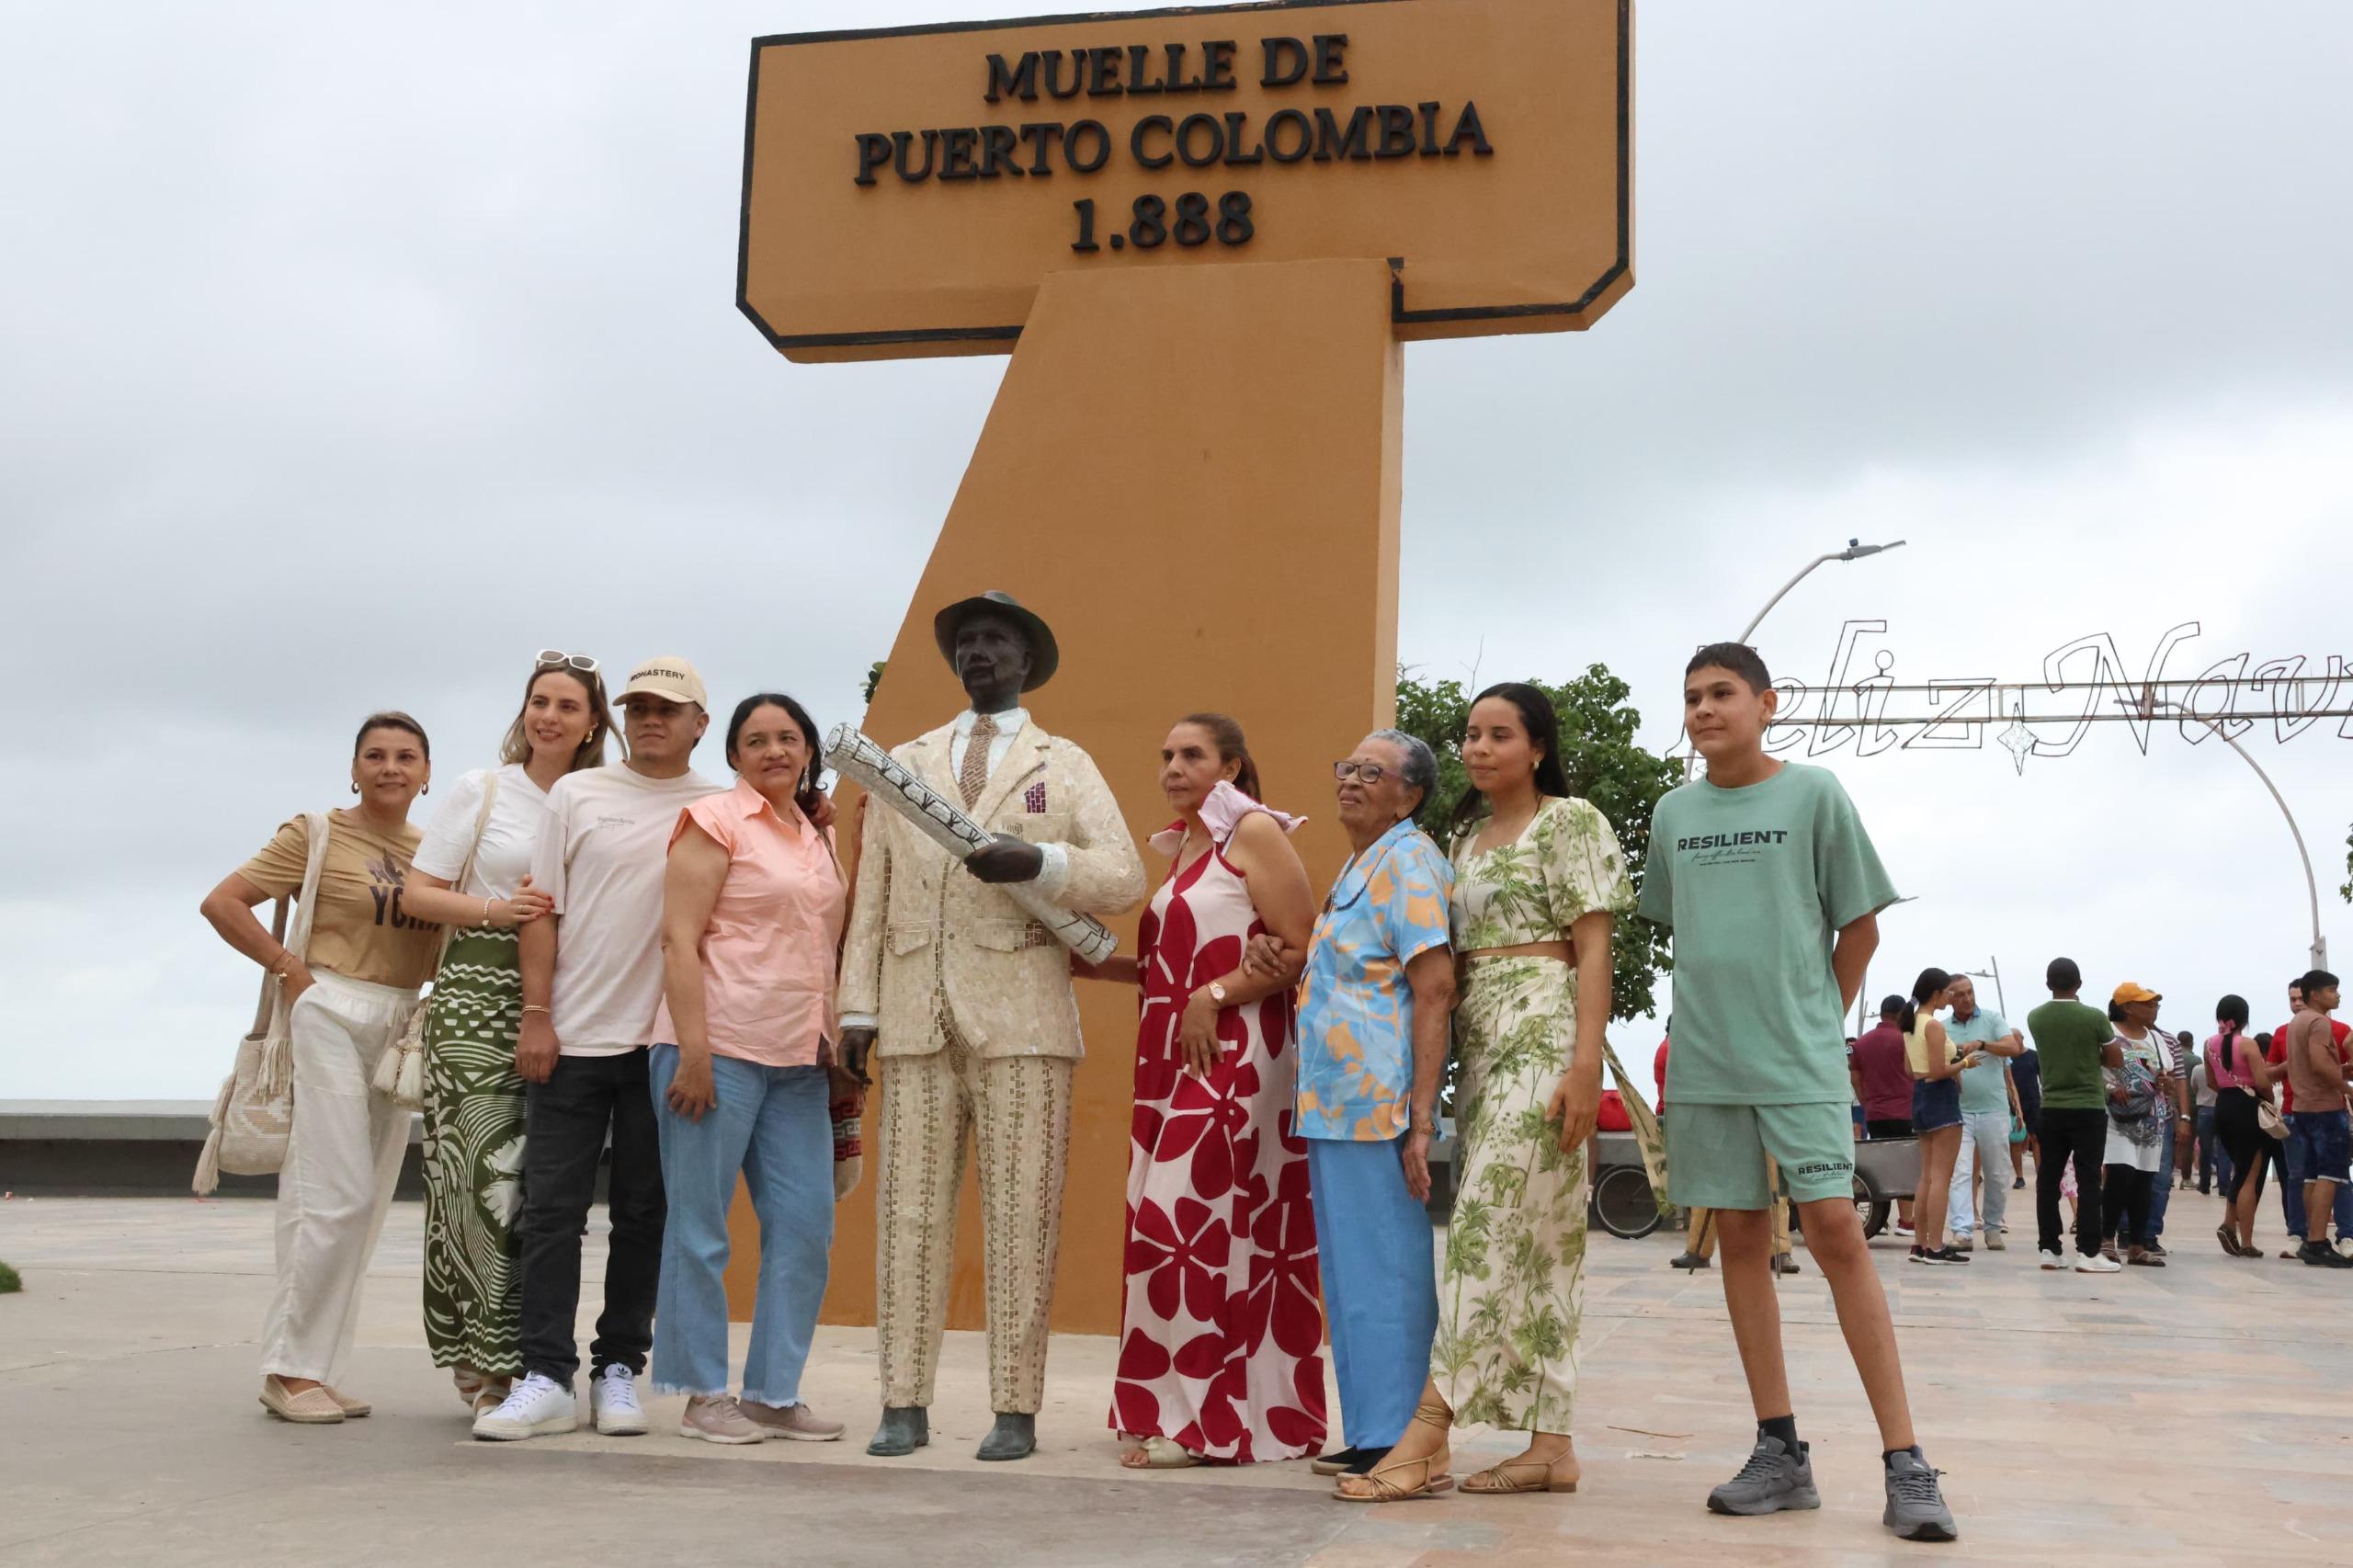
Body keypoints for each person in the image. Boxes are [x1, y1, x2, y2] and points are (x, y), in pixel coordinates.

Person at [1639, 643, 1953, 1543]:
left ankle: (1906, 1461)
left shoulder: (1813, 793)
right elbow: (1685, 927)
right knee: (1739, 1232)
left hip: (1799, 1054)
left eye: (1722, 693)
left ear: (1767, 703)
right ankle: (1780, 1450)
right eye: (1692, 696)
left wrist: (1821, 1009)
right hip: (1703, 1056)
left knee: (1834, 1229)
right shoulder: (1672, 811)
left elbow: (1858, 922)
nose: (1704, 709)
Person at [838, 592, 1147, 1464]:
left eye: (996, 641)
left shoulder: (1067, 762)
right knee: (908, 1218)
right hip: (913, 1009)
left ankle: (1016, 1407)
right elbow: (875, 892)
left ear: (1026, 658)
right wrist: (856, 1007)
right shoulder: (904, 761)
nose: (979, 653)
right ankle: (902, 1401)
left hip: (1025, 1016)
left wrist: (1042, 861)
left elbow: (1122, 876)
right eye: (967, 641)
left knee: (1021, 1217)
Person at [1336, 684, 1641, 1500]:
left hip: (1546, 1035)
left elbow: (1595, 950)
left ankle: (1429, 1432)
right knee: (1540, 1244)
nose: (1478, 748)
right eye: (1470, 735)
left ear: (1536, 747)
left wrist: (1584, 1068)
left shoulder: (1570, 821)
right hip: (1485, 1047)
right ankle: (1551, 1447)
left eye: (1499, 735)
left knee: (1481, 1228)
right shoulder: (1463, 839)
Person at [473, 657, 729, 1441]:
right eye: (639, 707)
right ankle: (545, 1375)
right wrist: (537, 1015)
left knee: (644, 1213)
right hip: (575, 1036)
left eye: (668, 708)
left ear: (699, 725)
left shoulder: (723, 806)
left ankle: (618, 1368)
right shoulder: (578, 795)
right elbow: (540, 912)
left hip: (662, 1045)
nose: (651, 719)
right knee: (550, 1213)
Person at [1075, 713, 1324, 1470]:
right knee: (1197, 1232)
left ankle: (1208, 1420)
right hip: (1176, 1056)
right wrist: (1093, 965)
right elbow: (1166, 973)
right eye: (1166, 756)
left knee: (1182, 1228)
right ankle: (1204, 1415)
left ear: (1234, 766)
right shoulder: (1188, 846)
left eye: (1192, 755)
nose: (1173, 767)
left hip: (1237, 1053)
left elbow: (1299, 943)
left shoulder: (1253, 830)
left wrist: (1211, 996)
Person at [199, 712, 441, 1423]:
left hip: (399, 1023)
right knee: (327, 1192)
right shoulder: (316, 832)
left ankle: (319, 1369)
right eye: (375, 755)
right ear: (354, 768)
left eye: (406, 757)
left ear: (427, 774)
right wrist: (287, 968)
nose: (390, 767)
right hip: (328, 1007)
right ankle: (287, 1370)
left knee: (364, 1203)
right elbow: (223, 902)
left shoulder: (433, 851)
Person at [399, 654, 609, 1416]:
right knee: (475, 1182)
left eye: (566, 705)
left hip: (569, 998)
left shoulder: (597, 797)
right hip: (475, 998)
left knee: (540, 1188)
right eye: (538, 702)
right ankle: (481, 1360)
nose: (549, 717)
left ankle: (525, 1360)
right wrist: (499, 913)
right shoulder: (481, 790)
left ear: (593, 723)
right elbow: (420, 893)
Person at [649, 692, 853, 1442]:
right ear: (734, 754)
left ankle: (772, 1391)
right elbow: (678, 938)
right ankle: (703, 1393)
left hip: (799, 1060)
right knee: (701, 1228)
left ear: (807, 752)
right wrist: (693, 1052)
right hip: (716, 1049)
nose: (774, 751)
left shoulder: (817, 835)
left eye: (788, 738)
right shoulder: (714, 821)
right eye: (757, 740)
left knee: (805, 1227)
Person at [1286, 732, 1455, 1499]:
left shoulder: (1411, 861)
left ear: (1409, 794)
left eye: (1371, 772)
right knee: (1352, 1274)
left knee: (1387, 1269)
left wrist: (1423, 1118)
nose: (1351, 781)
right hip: (1333, 1103)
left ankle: (1402, 1437)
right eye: (1345, 766)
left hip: (1379, 1104)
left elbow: (1435, 987)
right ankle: (1370, 1432)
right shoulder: (1364, 862)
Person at [2029, 958, 2123, 1273]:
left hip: (2051, 1106)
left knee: (2048, 1178)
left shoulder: (2036, 1018)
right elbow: (2115, 1059)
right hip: (2088, 1106)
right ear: (2079, 984)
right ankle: (2088, 1250)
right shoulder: (2094, 1017)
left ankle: (2049, 1249)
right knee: (2088, 1178)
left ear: (2048, 984)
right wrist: (2089, 1051)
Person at [2268, 977, 2353, 1257]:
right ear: (2315, 994)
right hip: (2325, 1108)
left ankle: (2308, 1239)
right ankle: (2318, 1242)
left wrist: (2340, 1070)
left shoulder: (2296, 1023)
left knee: (2311, 1177)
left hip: (2302, 1108)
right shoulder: (2319, 1023)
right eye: (2331, 990)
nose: (2337, 995)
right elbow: (2318, 1064)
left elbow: (2304, 1065)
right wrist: (2347, 1090)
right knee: (2333, 1176)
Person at [1942, 974, 2021, 1252]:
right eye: (1960, 994)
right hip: (1957, 1112)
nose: (1967, 998)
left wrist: (1983, 1044)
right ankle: (1962, 1231)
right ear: (1950, 998)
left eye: (1970, 992)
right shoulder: (1941, 1028)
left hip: (1994, 1111)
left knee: (1998, 1173)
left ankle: (1992, 1228)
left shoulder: (1992, 1019)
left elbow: (2013, 1047)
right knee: (1960, 1172)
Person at [1902, 970, 1971, 1266]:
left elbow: (1910, 1070)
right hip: (1940, 1096)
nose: (1951, 997)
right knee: (1942, 1177)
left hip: (1918, 1095)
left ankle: (1920, 1244)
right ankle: (1936, 1245)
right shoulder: (1933, 1026)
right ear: (1936, 994)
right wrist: (1964, 1062)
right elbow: (1939, 1071)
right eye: (1948, 992)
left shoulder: (1910, 1024)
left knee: (1927, 1176)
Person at [2099, 986, 2171, 1267]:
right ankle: (2107, 1239)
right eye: (2148, 1004)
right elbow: (2093, 1067)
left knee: (2144, 1181)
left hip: (2152, 1117)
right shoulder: (2107, 1032)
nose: (2154, 1009)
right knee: (2119, 1174)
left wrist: (2165, 1083)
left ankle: (2138, 1244)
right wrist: (2109, 1087)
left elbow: (2165, 1072)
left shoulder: (2156, 1038)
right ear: (2128, 1007)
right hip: (2117, 1117)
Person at [2208, 995, 2274, 1256]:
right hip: (2248, 1108)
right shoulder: (2248, 1045)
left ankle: (2228, 1223)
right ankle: (2245, 1241)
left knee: (2240, 1167)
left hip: (2223, 1105)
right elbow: (2261, 1081)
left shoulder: (2209, 1044)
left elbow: (2213, 1081)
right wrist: (2270, 1101)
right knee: (2250, 1176)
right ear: (2245, 1018)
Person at [1849, 995, 1915, 1236]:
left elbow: (1855, 1078)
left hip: (1875, 1113)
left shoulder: (1862, 1043)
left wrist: (1868, 1102)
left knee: (1881, 1166)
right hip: (1905, 1111)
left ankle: (1882, 1217)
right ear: (1901, 1014)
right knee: (1906, 1166)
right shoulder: (1905, 1041)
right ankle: (1907, 1220)